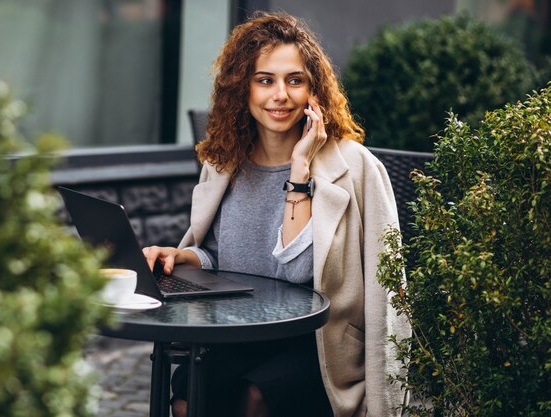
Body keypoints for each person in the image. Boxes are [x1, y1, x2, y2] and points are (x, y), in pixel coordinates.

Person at [143, 12, 410, 417]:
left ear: (314, 92)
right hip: (239, 331)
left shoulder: (354, 168)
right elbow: (220, 255)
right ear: (242, 89)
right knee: (186, 398)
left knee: (257, 399)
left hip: (319, 342)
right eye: (264, 80)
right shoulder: (224, 161)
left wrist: (300, 173)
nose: (280, 94)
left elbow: (301, 270)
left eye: (295, 80)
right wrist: (184, 256)